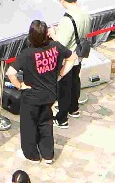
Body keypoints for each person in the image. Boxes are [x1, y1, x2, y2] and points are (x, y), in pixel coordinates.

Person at [7, 19, 69, 164]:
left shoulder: (27, 53)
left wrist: (19, 86)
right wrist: (60, 75)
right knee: (46, 124)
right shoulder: (55, 46)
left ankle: (32, 155)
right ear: (46, 33)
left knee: (29, 126)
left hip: (31, 96)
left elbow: (10, 73)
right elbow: (72, 57)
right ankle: (48, 155)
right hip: (49, 94)